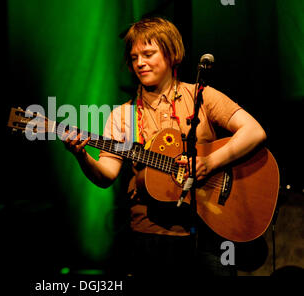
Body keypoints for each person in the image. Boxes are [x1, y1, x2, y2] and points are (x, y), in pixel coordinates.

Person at [62, 17, 266, 277]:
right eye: (134, 57)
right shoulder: (123, 116)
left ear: (171, 54)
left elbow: (254, 131)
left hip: (210, 231)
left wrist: (211, 163)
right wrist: (81, 156)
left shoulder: (201, 97)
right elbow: (106, 176)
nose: (140, 63)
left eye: (148, 54)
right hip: (150, 236)